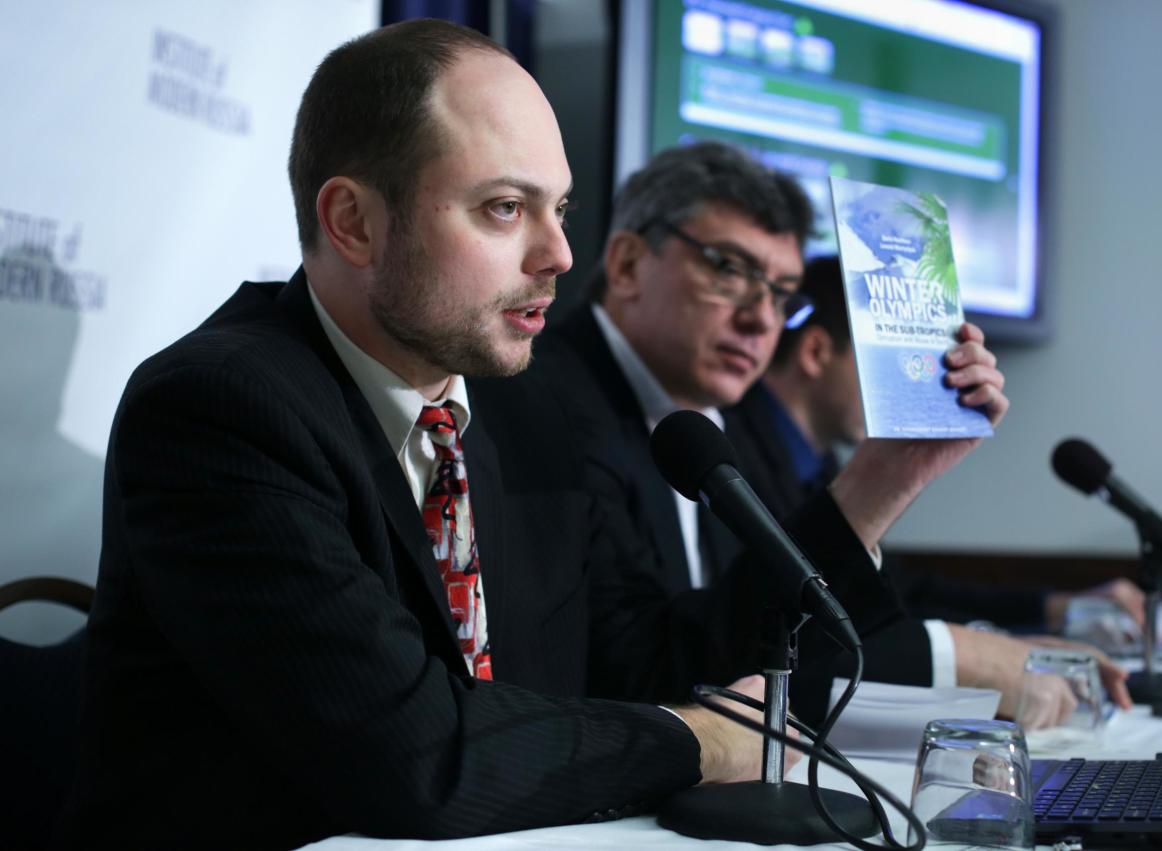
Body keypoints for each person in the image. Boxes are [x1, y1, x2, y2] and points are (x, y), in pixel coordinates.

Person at [55, 21, 910, 850]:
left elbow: (636, 671)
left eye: (560, 208)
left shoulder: (524, 410)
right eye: (505, 208)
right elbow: (417, 753)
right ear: (353, 221)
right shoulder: (221, 409)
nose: (559, 254)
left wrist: (886, 478)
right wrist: (701, 740)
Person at [533, 142, 1129, 721]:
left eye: (781, 292)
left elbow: (771, 631)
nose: (761, 318)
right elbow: (642, 675)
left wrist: (895, 469)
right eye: (729, 269)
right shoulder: (548, 410)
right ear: (629, 264)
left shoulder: (717, 419)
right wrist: (966, 658)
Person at [747, 254, 1147, 634]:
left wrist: (1057, 610)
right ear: (816, 353)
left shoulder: (821, 463)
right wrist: (988, 655)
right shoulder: (727, 452)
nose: (901, 382)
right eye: (883, 359)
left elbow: (902, 593)